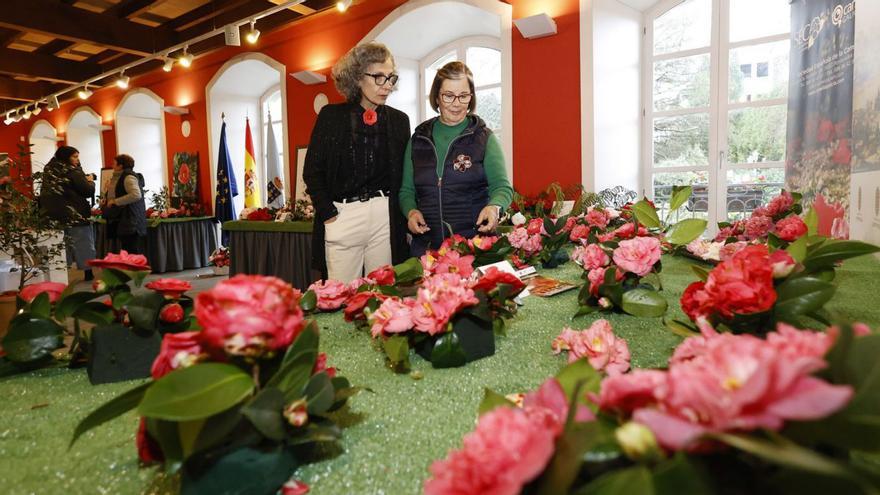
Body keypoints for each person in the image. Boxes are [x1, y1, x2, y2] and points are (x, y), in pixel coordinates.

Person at [303, 41, 411, 282]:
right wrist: (329, 213)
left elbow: (404, 175)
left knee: (381, 293)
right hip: (342, 215)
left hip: (385, 216)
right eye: (378, 77)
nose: (386, 86)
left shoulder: (400, 120)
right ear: (357, 77)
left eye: (391, 78)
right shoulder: (331, 117)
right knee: (339, 295)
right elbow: (312, 171)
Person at [400, 61, 513, 257]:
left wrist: (494, 207)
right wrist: (411, 212)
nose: (456, 103)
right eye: (448, 96)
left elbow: (502, 187)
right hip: (428, 249)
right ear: (437, 96)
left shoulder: (485, 138)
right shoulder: (418, 140)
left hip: (473, 246)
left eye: (463, 96)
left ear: (471, 97)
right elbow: (406, 190)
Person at [40, 145, 97, 279]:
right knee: (83, 243)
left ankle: (62, 273)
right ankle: (88, 273)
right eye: (75, 157)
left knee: (61, 245)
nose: (77, 159)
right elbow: (87, 191)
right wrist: (90, 181)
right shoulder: (73, 171)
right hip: (75, 214)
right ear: (66, 157)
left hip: (53, 215)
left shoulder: (49, 169)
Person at [102, 154, 147, 254]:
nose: (112, 165)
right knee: (128, 249)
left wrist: (115, 201)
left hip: (130, 219)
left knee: (131, 250)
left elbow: (136, 195)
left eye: (114, 163)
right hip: (125, 219)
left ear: (120, 166)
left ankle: (134, 269)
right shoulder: (119, 177)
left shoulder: (128, 177)